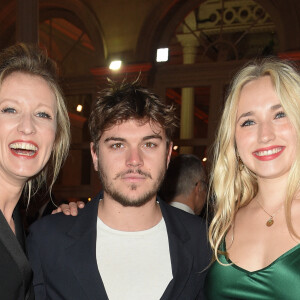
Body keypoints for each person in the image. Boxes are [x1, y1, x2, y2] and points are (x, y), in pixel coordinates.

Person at [27, 80, 211, 300]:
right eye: (117, 145)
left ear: (168, 154)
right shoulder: (48, 240)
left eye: (149, 144)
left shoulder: (204, 241)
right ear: (95, 155)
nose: (134, 160)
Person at [204, 58, 300, 299]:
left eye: (280, 114)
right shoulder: (225, 220)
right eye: (248, 121)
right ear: (234, 140)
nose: (264, 135)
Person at [0, 43, 70, 299]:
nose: (27, 127)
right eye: (10, 109)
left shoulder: (17, 222)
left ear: (56, 135)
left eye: (42, 114)